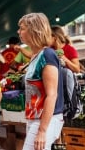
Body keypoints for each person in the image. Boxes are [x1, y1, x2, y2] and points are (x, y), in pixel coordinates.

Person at [17, 13, 64, 150]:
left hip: (46, 119)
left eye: (22, 28)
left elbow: (52, 94)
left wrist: (43, 131)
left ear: (34, 30)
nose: (19, 32)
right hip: (35, 118)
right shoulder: (35, 56)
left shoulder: (47, 55)